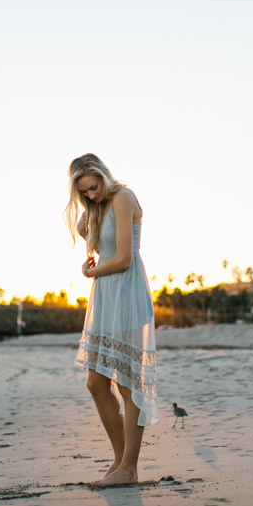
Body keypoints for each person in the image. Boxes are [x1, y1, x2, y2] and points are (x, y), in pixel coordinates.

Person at [64, 153, 158, 486]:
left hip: (127, 293)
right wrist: (85, 219)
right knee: (96, 382)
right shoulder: (98, 206)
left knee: (127, 383)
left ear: (104, 175)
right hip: (106, 298)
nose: (92, 195)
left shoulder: (123, 197)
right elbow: (90, 230)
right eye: (85, 192)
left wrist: (91, 271)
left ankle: (128, 468)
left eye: (94, 186)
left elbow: (122, 258)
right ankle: (120, 462)